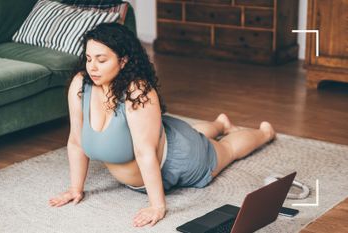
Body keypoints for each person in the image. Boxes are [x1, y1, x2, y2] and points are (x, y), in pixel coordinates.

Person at [49, 22, 276, 227]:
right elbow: (77, 141)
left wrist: (157, 205)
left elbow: (145, 152)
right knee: (192, 134)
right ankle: (219, 123)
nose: (92, 67)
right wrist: (75, 188)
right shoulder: (81, 84)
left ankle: (264, 133)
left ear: (123, 60)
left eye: (101, 60)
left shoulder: (137, 91)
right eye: (89, 59)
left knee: (227, 150)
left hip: (180, 157)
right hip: (162, 136)